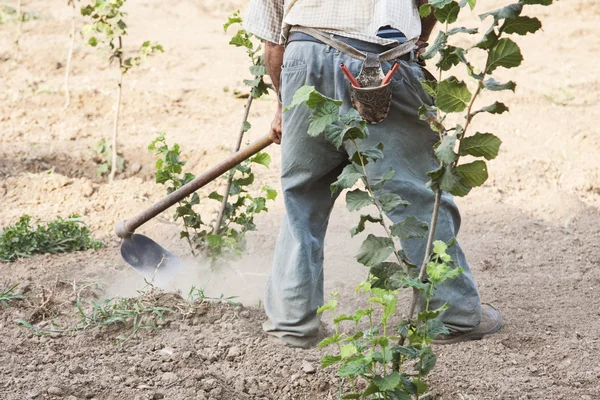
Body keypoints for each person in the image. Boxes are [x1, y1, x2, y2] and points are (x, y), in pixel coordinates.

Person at [243, 0, 503, 348]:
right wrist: (420, 41)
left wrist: (282, 105)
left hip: (303, 59)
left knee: (301, 199)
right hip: (383, 62)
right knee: (415, 193)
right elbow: (435, 4)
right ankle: (450, 314)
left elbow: (274, 40)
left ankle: (291, 323)